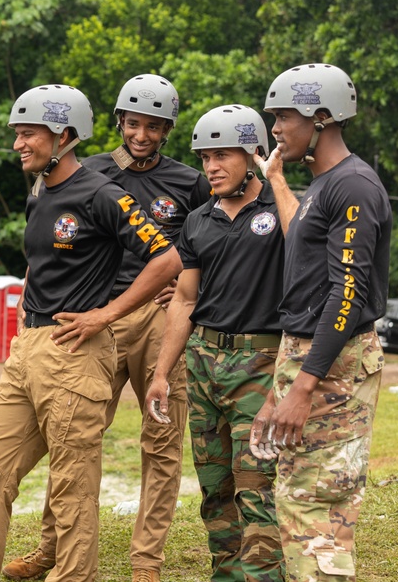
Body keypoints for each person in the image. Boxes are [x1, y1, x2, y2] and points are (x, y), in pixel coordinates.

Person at [0, 84, 182, 582]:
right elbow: (42, 267)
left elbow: (167, 258)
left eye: (28, 135)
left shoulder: (101, 193)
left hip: (76, 355)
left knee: (72, 487)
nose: (17, 144)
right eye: (17, 134)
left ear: (63, 136)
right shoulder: (40, 192)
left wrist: (106, 314)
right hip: (28, 351)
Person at [4, 74, 209, 582]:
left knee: (161, 439)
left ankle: (146, 562)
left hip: (160, 320)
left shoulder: (190, 181)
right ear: (118, 122)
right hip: (96, 317)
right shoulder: (86, 172)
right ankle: (51, 548)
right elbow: (47, 249)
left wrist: (186, 287)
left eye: (154, 127)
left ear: (168, 130)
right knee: (71, 435)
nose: (141, 135)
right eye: (134, 123)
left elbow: (207, 243)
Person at [250, 63, 391, 582]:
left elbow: (346, 296)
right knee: (296, 496)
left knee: (318, 507)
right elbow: (306, 265)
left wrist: (304, 385)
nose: (276, 129)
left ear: (324, 117)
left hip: (334, 367)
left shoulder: (353, 185)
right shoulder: (321, 185)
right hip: (308, 357)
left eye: (285, 116)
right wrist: (279, 386)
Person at [145, 104, 285, 582]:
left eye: (223, 155)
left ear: (254, 155)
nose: (211, 167)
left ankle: (264, 576)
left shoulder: (282, 210)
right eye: (205, 157)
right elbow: (184, 299)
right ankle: (226, 574)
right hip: (204, 364)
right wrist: (162, 373)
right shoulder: (198, 219)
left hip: (260, 364)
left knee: (257, 487)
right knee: (215, 488)